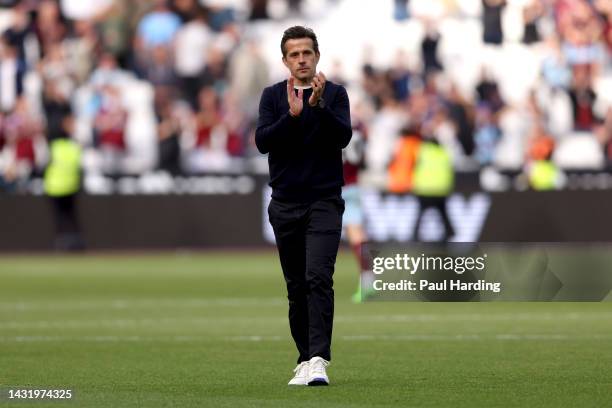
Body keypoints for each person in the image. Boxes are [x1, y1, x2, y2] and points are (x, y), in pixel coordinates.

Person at [255, 26, 352, 386]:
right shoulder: (272, 97)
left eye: (306, 53)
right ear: (285, 61)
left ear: (317, 57)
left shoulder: (335, 94)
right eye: (294, 54)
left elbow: (342, 136)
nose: (301, 59)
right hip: (284, 204)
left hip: (324, 201)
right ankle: (303, 357)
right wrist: (292, 117)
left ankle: (318, 359)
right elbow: (262, 141)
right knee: (296, 286)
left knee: (318, 278)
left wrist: (318, 107)